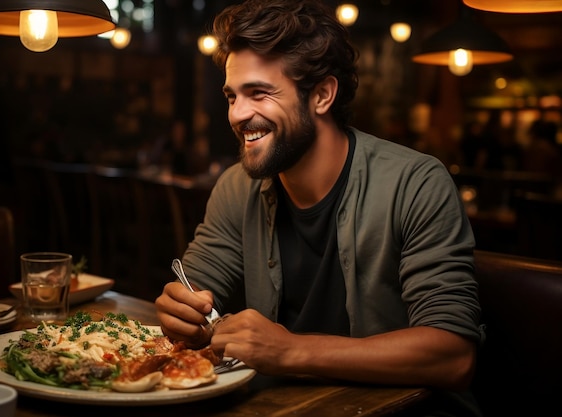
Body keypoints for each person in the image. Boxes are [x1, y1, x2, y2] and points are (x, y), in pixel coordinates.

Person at [155, 1, 483, 415]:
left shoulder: (415, 183)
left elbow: (453, 356)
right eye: (232, 96)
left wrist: (290, 351)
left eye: (259, 93)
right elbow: (194, 289)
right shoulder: (237, 187)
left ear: (323, 95)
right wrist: (179, 312)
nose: (237, 114)